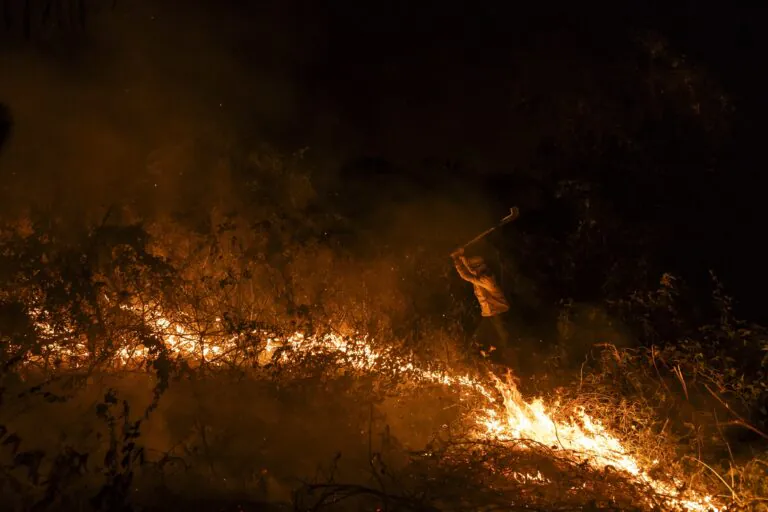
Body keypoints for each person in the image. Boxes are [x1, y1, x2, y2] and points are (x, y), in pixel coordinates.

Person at [451, 248, 515, 366]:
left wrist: (457, 260)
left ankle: (511, 366)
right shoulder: (481, 275)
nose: (472, 269)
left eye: (473, 267)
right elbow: (470, 270)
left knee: (505, 341)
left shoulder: (487, 280)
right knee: (480, 339)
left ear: (478, 268)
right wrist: (461, 257)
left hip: (499, 314)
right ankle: (486, 366)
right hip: (490, 314)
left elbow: (467, 276)